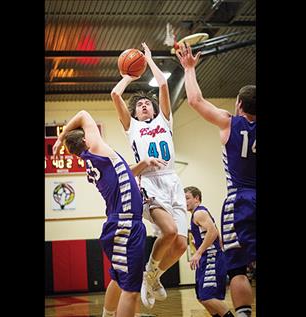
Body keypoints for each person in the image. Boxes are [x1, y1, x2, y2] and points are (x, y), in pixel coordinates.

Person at [52, 110, 166, 317]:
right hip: (126, 225)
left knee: (117, 278)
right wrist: (61, 137)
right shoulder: (97, 149)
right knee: (131, 290)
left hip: (119, 223)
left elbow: (125, 173)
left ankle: (107, 314)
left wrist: (144, 163)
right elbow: (84, 115)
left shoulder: (96, 161)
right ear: (87, 140)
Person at [177, 43, 256, 317]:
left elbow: (195, 101)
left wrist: (189, 69)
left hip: (240, 199)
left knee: (237, 268)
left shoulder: (229, 122)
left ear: (239, 104)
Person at [110, 42, 188, 308]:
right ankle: (148, 273)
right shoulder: (131, 128)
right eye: (140, 104)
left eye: (147, 103)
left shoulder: (164, 120)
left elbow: (164, 86)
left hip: (172, 181)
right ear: (135, 112)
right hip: (149, 183)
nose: (143, 105)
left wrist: (150, 60)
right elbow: (115, 95)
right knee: (169, 230)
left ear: (155, 110)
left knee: (180, 244)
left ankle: (154, 276)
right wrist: (128, 77)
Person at [185, 186, 235, 317]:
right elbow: (216, 232)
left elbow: (212, 231)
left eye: (187, 198)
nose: (184, 201)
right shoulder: (197, 214)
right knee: (202, 297)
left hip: (211, 257)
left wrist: (198, 252)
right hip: (207, 258)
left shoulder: (199, 213)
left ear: (197, 198)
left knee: (208, 296)